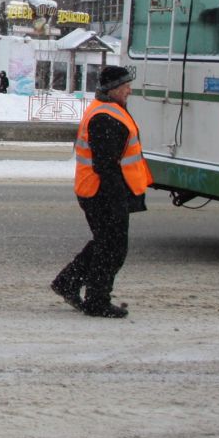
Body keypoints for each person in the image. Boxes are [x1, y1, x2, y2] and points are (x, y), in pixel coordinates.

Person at [50, 64, 150, 318]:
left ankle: (68, 282)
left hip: (99, 191)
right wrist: (118, 200)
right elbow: (106, 166)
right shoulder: (106, 117)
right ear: (113, 89)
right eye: (125, 85)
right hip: (102, 193)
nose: (129, 89)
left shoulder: (110, 110)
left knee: (104, 244)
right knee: (113, 249)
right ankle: (97, 300)